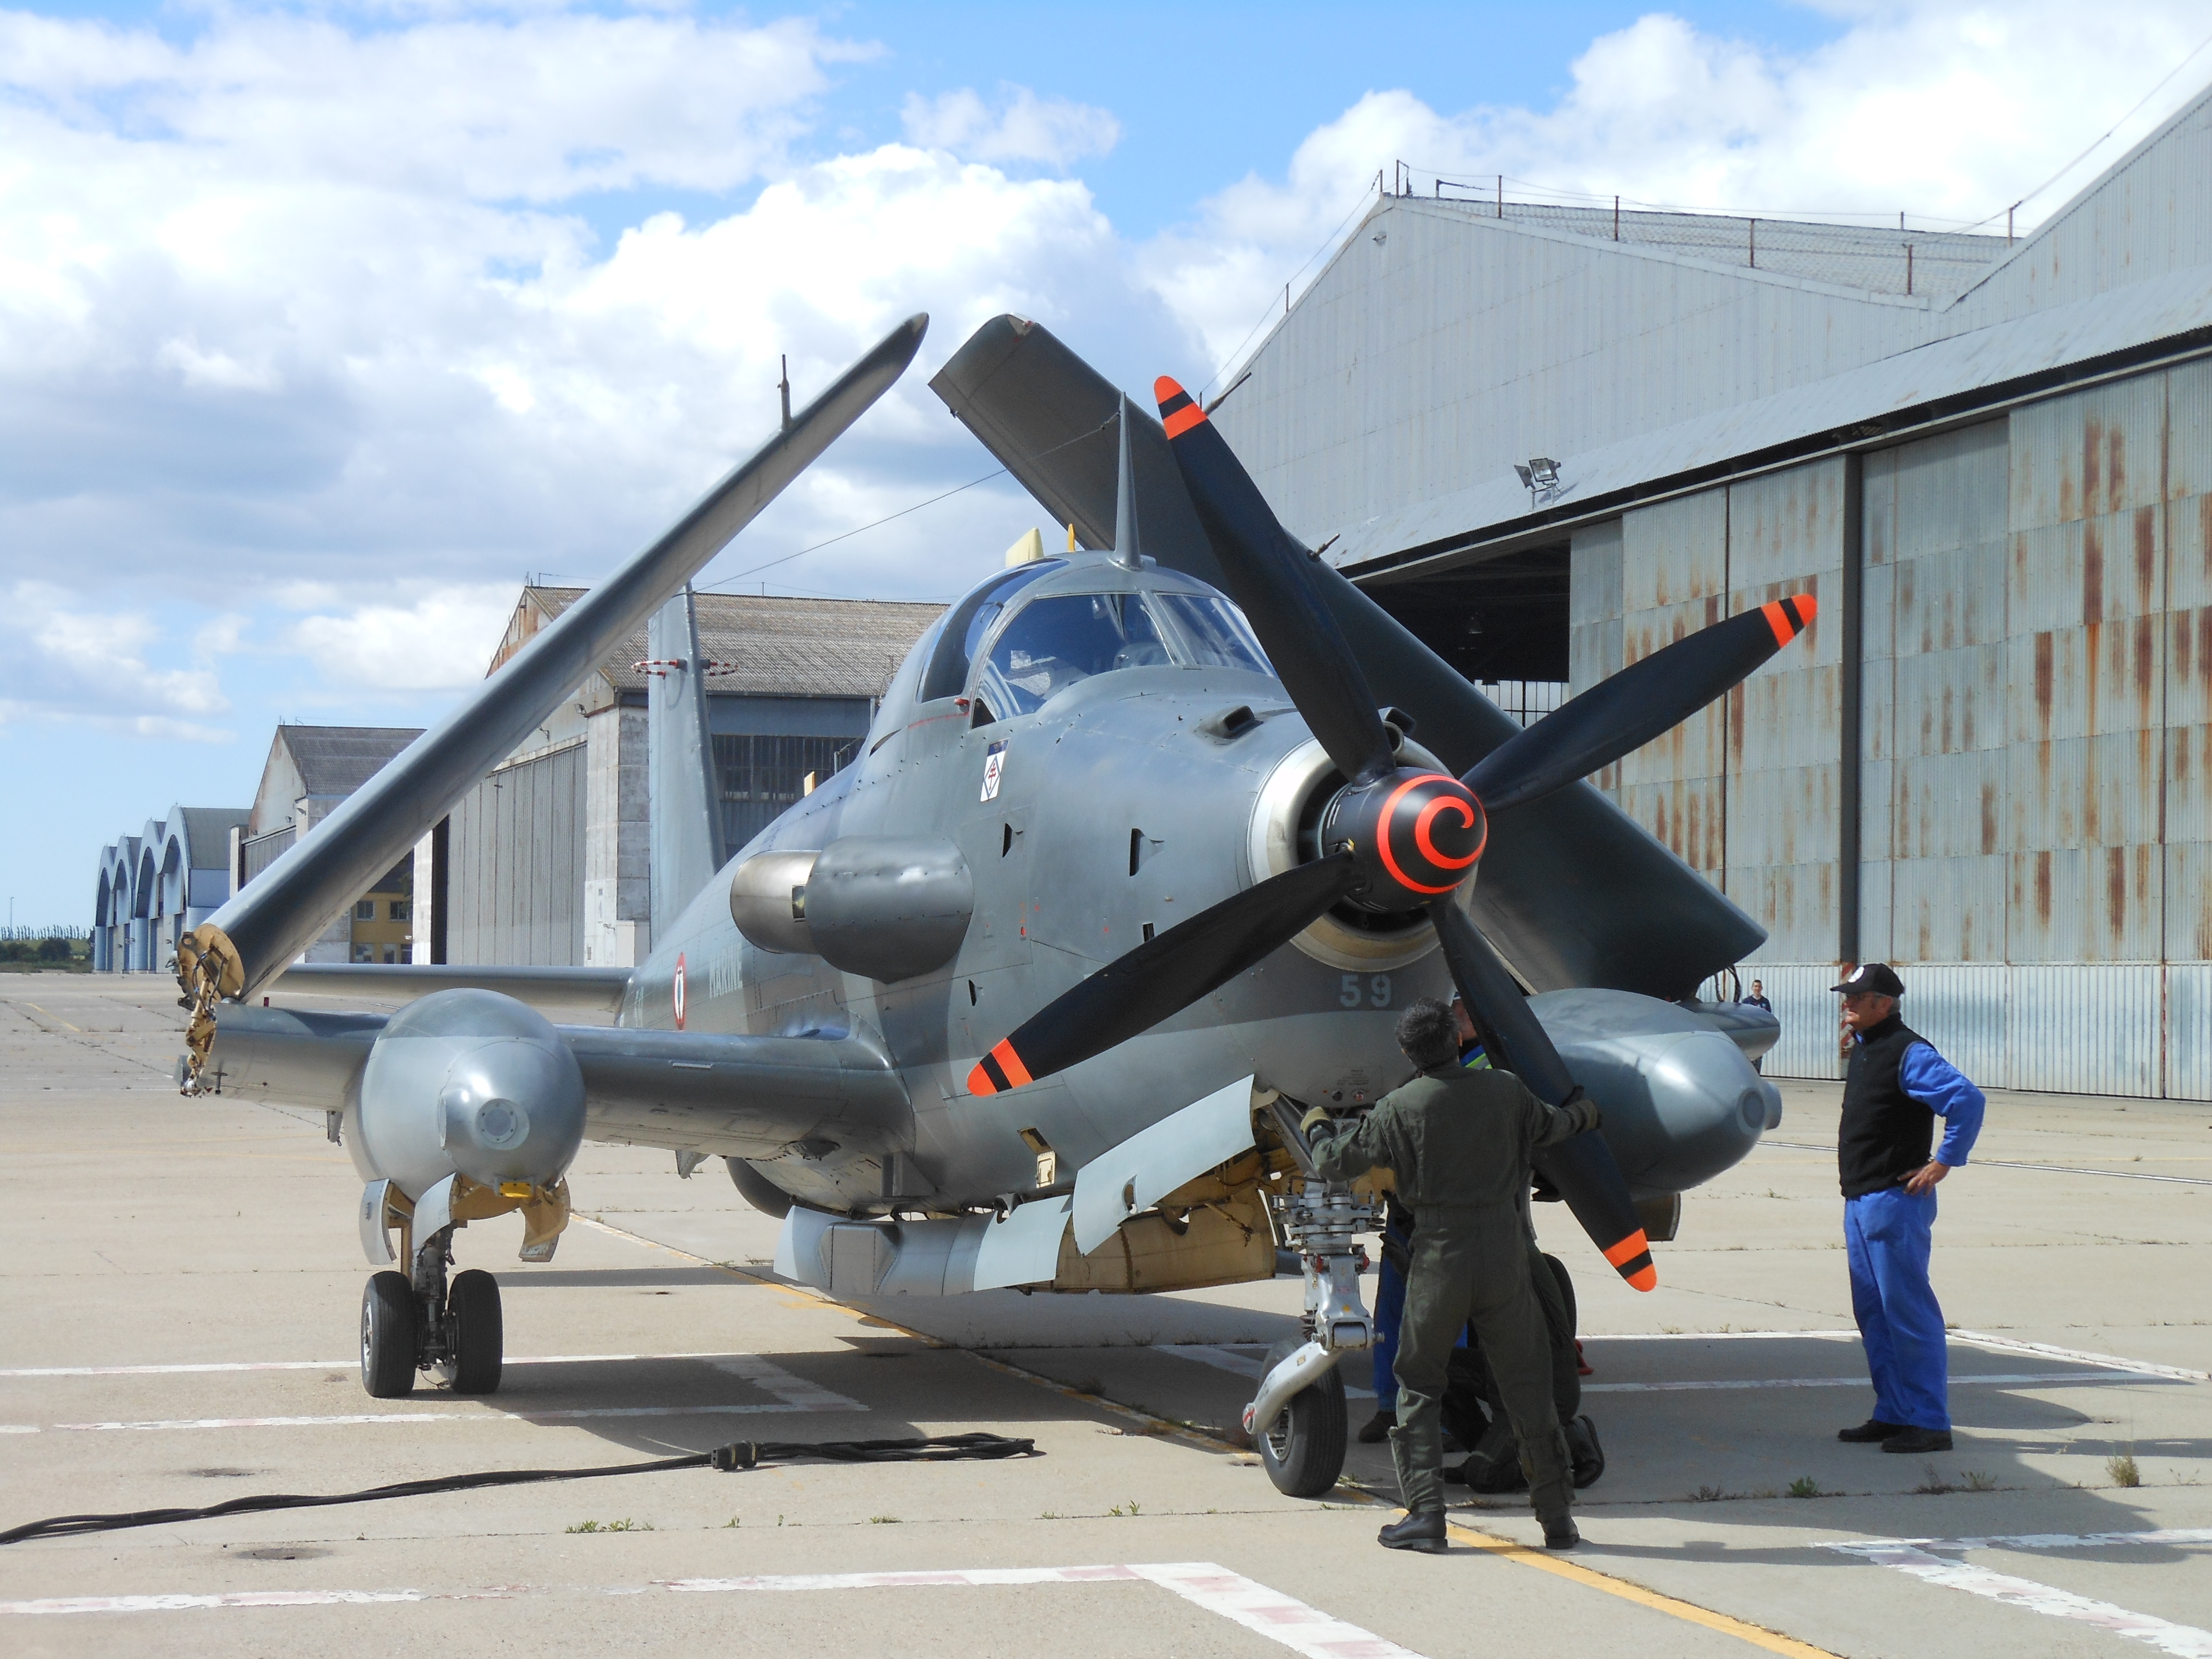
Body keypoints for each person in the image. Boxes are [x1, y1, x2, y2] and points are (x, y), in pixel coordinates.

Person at [1304, 998, 1600, 1553]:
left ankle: (1426, 1516)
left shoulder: (1401, 1106)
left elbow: (1335, 1162)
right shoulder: (1507, 1091)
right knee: (1527, 1389)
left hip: (1441, 1255)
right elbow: (1558, 1125)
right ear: (1456, 1040)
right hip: (1505, 1254)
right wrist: (1589, 1112)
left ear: (1406, 1051)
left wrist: (1318, 1126)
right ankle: (1558, 1520)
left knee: (1419, 1383)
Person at [1831, 962, 1985, 1455]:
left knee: (1907, 1312)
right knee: (1874, 1313)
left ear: (1884, 1004)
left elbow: (1966, 1100)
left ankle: (1929, 1422)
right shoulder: (1866, 1047)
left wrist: (1944, 1162)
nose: (1847, 1004)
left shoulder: (1908, 1052)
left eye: (1857, 998)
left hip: (1894, 1202)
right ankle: (1894, 1412)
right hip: (1861, 1199)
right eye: (1846, 997)